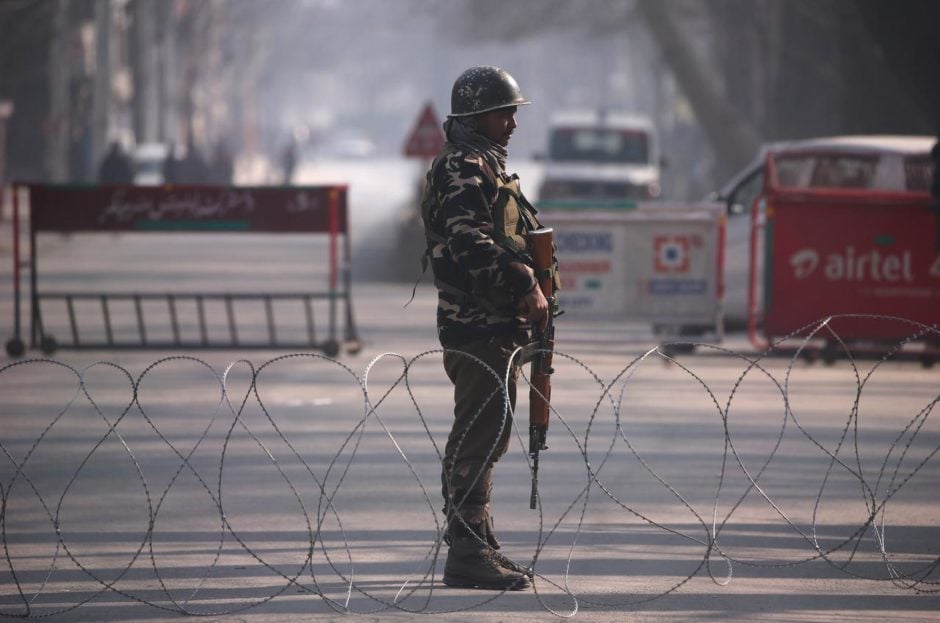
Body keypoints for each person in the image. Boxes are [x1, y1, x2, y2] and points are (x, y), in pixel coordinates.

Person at [420, 66, 554, 591]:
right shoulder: (464, 166)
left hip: (493, 324)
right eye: (505, 113)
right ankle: (466, 553)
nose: (513, 124)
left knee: (490, 432)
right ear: (478, 116)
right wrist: (524, 281)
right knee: (479, 434)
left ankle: (479, 540)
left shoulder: (483, 164)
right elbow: (466, 239)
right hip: (475, 325)